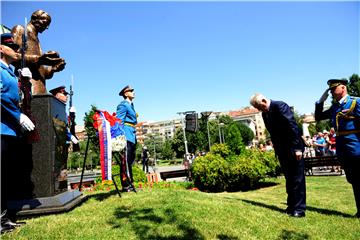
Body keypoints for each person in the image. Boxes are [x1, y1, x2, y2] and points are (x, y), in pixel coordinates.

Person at [250, 93, 306, 217]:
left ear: (264, 100)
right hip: (282, 150)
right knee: (289, 179)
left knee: (297, 179)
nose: (259, 110)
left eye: (259, 107)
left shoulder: (280, 106)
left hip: (293, 148)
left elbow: (293, 127)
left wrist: (297, 148)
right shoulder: (265, 114)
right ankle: (291, 206)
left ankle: (299, 209)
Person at [1, 33, 35, 233]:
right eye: (11, 46)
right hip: (2, 128)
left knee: (6, 176)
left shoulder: (10, 73)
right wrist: (18, 116)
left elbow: (20, 98)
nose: (16, 50)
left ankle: (4, 218)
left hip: (10, 131)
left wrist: (26, 82)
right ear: (1, 49)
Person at [315, 78, 360, 218]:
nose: (332, 92)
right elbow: (318, 116)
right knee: (353, 179)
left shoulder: (355, 102)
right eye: (330, 90)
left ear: (343, 87)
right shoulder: (335, 107)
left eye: (334, 89)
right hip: (342, 148)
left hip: (356, 146)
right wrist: (320, 102)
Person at [11, 9, 66, 95]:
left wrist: (53, 68)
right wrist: (39, 59)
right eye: (45, 23)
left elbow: (39, 71)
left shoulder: (37, 40)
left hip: (41, 92)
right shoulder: (20, 29)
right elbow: (12, 56)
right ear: (34, 19)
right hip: (27, 89)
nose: (47, 27)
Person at [116, 85, 137, 192]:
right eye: (131, 91)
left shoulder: (131, 105)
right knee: (125, 161)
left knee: (130, 161)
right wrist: (121, 136)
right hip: (126, 135)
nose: (133, 92)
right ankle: (126, 185)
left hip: (132, 135)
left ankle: (131, 184)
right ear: (125, 94)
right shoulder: (123, 105)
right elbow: (119, 121)